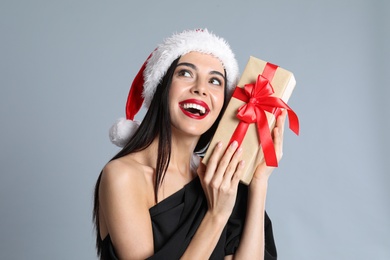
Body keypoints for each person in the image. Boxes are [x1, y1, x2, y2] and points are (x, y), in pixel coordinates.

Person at [93, 29, 284, 259]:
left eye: (215, 81)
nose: (200, 88)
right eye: (185, 73)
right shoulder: (122, 176)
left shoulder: (219, 179)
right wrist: (216, 215)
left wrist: (259, 182)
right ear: (162, 86)